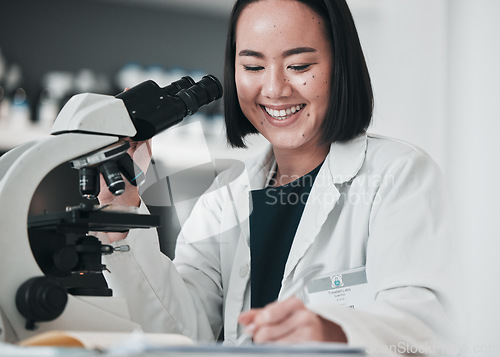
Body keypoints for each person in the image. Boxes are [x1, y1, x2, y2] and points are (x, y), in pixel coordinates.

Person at [98, 0, 461, 353]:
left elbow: (423, 334)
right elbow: (179, 333)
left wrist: (333, 333)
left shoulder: (397, 176)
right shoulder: (222, 202)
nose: (274, 89)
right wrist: (121, 209)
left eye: (299, 65)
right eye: (253, 68)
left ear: (341, 66)